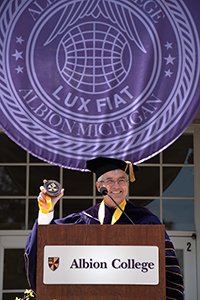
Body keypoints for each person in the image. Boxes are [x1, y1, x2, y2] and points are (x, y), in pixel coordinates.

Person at [24, 157, 184, 299]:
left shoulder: (145, 221)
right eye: (109, 180)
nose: (116, 186)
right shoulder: (84, 220)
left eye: (122, 180)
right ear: (99, 186)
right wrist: (47, 211)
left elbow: (167, 274)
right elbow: (45, 245)